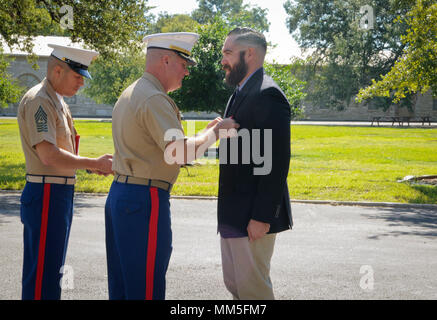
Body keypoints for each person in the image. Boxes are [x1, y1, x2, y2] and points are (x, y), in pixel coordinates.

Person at [105, 32, 238, 300]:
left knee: (125, 286)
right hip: (145, 199)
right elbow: (178, 152)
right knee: (145, 288)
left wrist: (204, 132)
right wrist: (215, 133)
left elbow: (164, 145)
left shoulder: (135, 91)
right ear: (165, 60)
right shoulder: (154, 98)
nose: (186, 72)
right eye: (184, 64)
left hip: (125, 195)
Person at [17, 44, 113, 300]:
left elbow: (62, 152)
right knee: (43, 275)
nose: (81, 83)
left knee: (50, 270)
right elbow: (48, 155)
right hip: (46, 192)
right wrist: (93, 162)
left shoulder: (56, 100)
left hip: (56, 192)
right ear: (57, 70)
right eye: (77, 76)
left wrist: (89, 166)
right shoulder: (40, 100)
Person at [217, 27, 293, 300]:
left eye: (227, 53)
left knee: (254, 293)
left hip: (252, 218)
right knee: (237, 287)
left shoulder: (268, 94)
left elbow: (276, 162)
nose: (223, 60)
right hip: (233, 214)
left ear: (249, 53)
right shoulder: (240, 91)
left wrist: (262, 217)